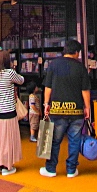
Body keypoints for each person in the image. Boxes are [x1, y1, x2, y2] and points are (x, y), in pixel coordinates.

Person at [40, 39, 91, 179]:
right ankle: (71, 170)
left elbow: (48, 87)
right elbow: (85, 90)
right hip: (76, 112)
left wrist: (46, 104)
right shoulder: (80, 67)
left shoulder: (53, 65)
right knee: (74, 140)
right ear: (76, 52)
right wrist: (87, 108)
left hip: (57, 111)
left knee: (55, 141)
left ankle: (51, 169)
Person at [0, 50, 25, 176]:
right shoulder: (10, 73)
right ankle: (8, 167)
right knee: (8, 139)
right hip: (8, 111)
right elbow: (21, 80)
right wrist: (14, 68)